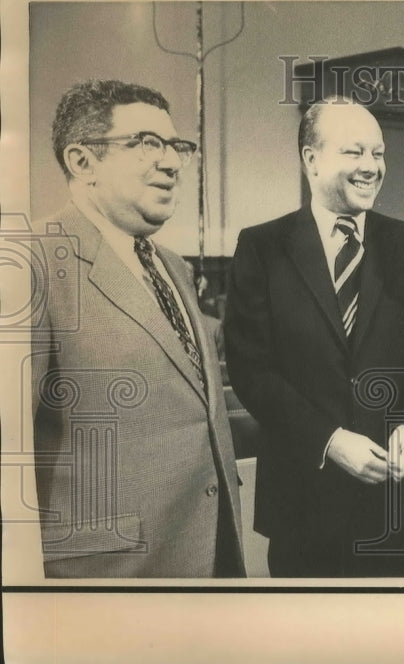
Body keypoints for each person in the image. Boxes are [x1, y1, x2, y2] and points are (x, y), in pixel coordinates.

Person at [224, 100, 404, 578]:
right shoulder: (262, 247)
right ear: (311, 159)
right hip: (301, 501)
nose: (372, 167)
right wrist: (329, 441)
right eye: (355, 152)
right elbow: (252, 370)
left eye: (378, 153)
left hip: (386, 502)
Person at [31, 80, 245, 578]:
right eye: (147, 143)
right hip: (107, 578)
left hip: (209, 558)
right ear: (83, 162)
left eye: (176, 147)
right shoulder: (33, 263)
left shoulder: (173, 266)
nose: (171, 162)